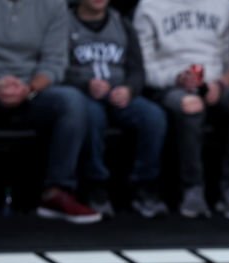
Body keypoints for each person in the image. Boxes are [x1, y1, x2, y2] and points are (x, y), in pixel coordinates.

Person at [0, 0, 101, 226]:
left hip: (31, 90)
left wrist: (29, 88)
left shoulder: (54, 5)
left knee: (72, 100)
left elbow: (55, 62)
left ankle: (56, 192)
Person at [134, 0, 229, 219]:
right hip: (170, 84)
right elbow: (143, 66)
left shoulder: (224, 6)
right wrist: (176, 79)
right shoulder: (149, 6)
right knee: (190, 105)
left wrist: (219, 85)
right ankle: (192, 189)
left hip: (217, 82)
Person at [66, 0, 168, 218]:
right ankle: (96, 187)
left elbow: (137, 70)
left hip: (119, 94)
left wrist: (129, 89)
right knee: (90, 116)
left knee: (153, 116)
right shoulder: (64, 23)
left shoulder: (122, 24)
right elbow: (56, 67)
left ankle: (144, 187)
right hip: (83, 95)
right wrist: (84, 84)